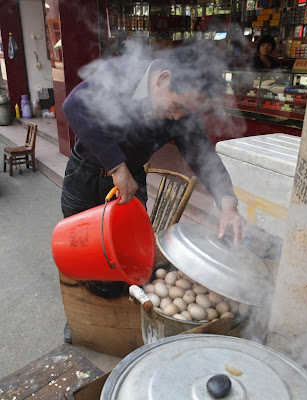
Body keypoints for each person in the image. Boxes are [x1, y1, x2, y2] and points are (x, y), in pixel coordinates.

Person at [61, 39, 246, 343]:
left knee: (127, 253)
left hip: (130, 181)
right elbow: (75, 106)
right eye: (177, 107)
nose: (177, 118)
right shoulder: (119, 74)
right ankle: (82, 318)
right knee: (82, 252)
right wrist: (117, 166)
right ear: (163, 79)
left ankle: (121, 312)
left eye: (184, 112)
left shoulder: (180, 111)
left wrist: (228, 203)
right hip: (86, 174)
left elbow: (202, 153)